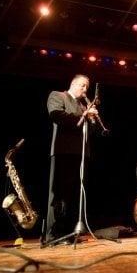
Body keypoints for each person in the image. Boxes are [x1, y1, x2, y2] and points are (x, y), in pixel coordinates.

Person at [44, 74, 98, 244]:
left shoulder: (83, 105)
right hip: (62, 151)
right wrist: (84, 116)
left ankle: (68, 232)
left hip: (80, 153)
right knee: (58, 194)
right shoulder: (57, 96)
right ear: (73, 84)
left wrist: (92, 120)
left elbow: (88, 131)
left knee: (73, 194)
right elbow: (58, 117)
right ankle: (52, 235)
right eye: (83, 86)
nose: (85, 90)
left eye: (87, 87)